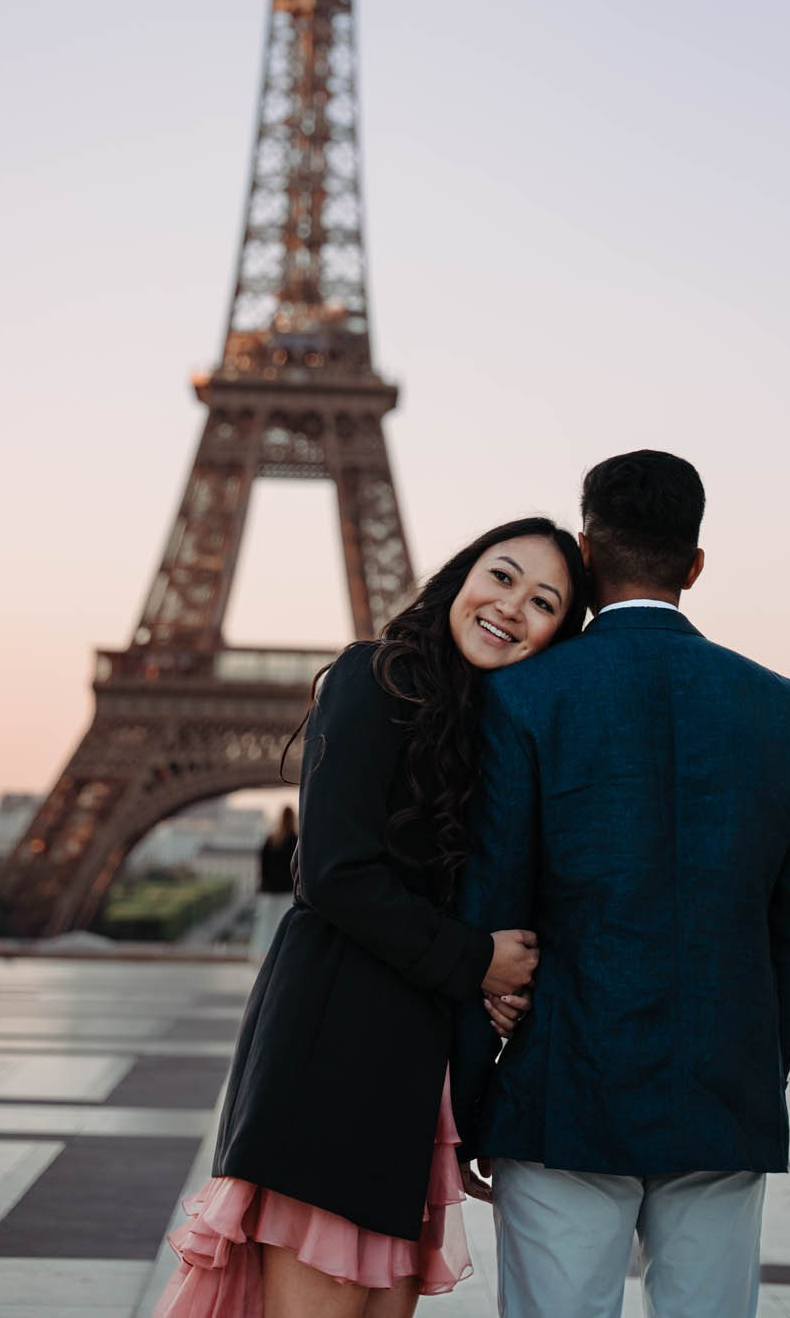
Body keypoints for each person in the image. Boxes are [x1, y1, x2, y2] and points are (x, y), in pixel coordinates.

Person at [156, 516, 588, 1318]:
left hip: (411, 1062)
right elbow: (332, 873)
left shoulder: (485, 720)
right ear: (462, 576)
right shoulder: (377, 676)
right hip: (338, 1041)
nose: (510, 605)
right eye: (501, 576)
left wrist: (493, 981)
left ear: (557, 636)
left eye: (543, 602)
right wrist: (474, 959)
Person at [451, 450, 790, 1318]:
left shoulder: (522, 695)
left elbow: (491, 909)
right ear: (693, 565)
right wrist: (751, 1070)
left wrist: (474, 1101)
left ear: (585, 554)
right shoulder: (782, 705)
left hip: (561, 1089)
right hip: (722, 1090)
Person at [249, 805, 298, 961]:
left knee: (265, 925)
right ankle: (280, 959)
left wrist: (262, 885)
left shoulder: (270, 840)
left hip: (268, 890)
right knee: (283, 926)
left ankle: (260, 957)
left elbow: (262, 866)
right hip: (287, 891)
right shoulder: (296, 841)